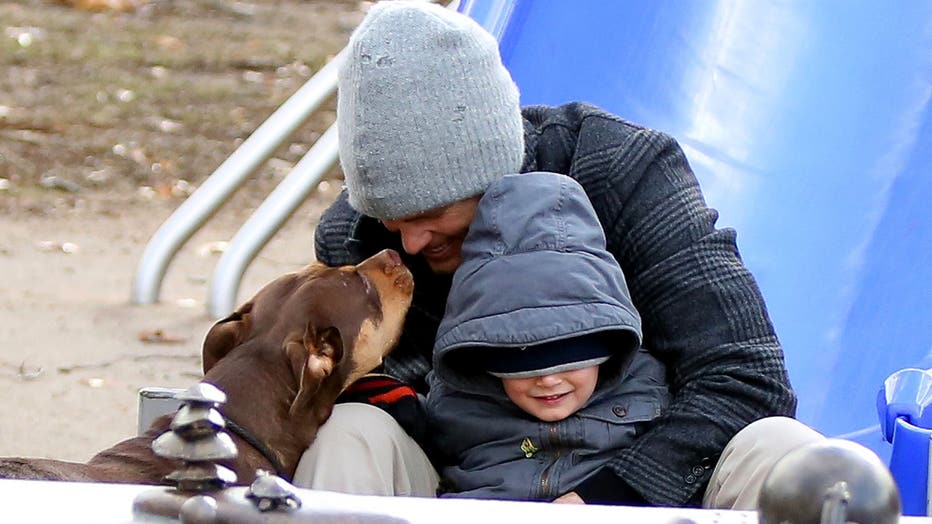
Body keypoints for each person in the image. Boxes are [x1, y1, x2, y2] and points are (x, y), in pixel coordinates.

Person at [293, 0, 824, 509]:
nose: (410, 245)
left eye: (433, 214)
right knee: (346, 433)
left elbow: (746, 377)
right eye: (393, 219)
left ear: (498, 176)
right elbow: (383, 398)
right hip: (471, 488)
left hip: (646, 478)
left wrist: (596, 504)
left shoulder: (621, 173)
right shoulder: (356, 242)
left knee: (784, 452)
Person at [427, 171, 670, 503]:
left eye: (570, 353)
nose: (548, 379)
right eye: (522, 358)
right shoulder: (455, 403)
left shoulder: (647, 386)